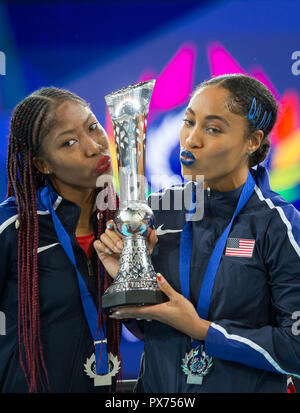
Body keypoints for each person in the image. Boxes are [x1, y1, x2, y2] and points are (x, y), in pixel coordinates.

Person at [94, 74, 300, 393]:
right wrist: (129, 275)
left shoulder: (277, 224)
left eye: (212, 128)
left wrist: (203, 330)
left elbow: (295, 349)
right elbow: (151, 329)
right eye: (188, 121)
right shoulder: (156, 210)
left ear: (253, 141)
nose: (191, 139)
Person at [0, 87, 123, 393]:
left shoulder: (124, 224)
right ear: (44, 164)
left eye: (93, 127)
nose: (94, 146)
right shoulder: (14, 227)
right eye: (69, 142)